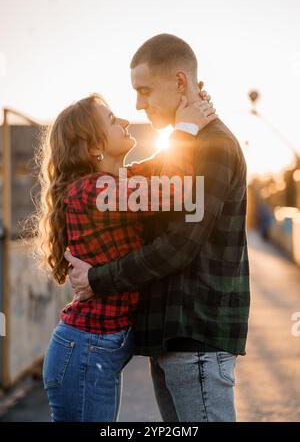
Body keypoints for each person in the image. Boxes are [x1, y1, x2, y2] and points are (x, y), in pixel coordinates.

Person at [66, 33, 250, 422]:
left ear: (180, 82)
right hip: (173, 339)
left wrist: (98, 279)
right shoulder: (187, 145)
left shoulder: (212, 147)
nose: (137, 104)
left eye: (144, 90)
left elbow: (181, 244)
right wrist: (183, 128)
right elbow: (132, 182)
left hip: (195, 336)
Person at [36, 89, 215, 421]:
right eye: (111, 119)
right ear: (93, 147)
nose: (123, 120)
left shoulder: (113, 183)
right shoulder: (95, 192)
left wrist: (191, 114)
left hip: (92, 355)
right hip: (85, 354)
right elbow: (175, 190)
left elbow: (156, 167)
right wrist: (186, 130)